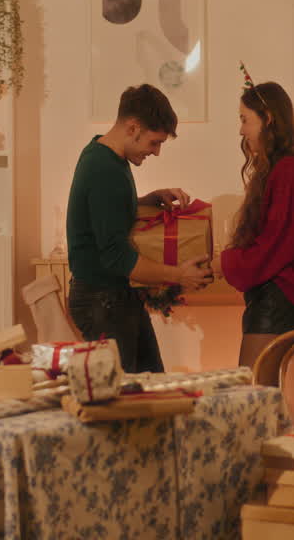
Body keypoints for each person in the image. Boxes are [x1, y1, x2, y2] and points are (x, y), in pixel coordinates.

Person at [65, 84, 212, 373]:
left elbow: (107, 211)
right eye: (154, 142)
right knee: (127, 401)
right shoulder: (105, 169)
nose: (156, 152)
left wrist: (147, 199)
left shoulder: (105, 155)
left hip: (113, 299)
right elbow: (117, 257)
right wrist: (179, 275)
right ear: (133, 127)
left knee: (148, 387)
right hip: (103, 301)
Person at [220, 81, 294, 368]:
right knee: (261, 393)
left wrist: (226, 264)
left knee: (256, 395)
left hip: (277, 299)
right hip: (274, 298)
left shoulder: (288, 169)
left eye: (245, 120)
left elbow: (277, 243)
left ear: (267, 118)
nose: (241, 130)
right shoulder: (284, 167)